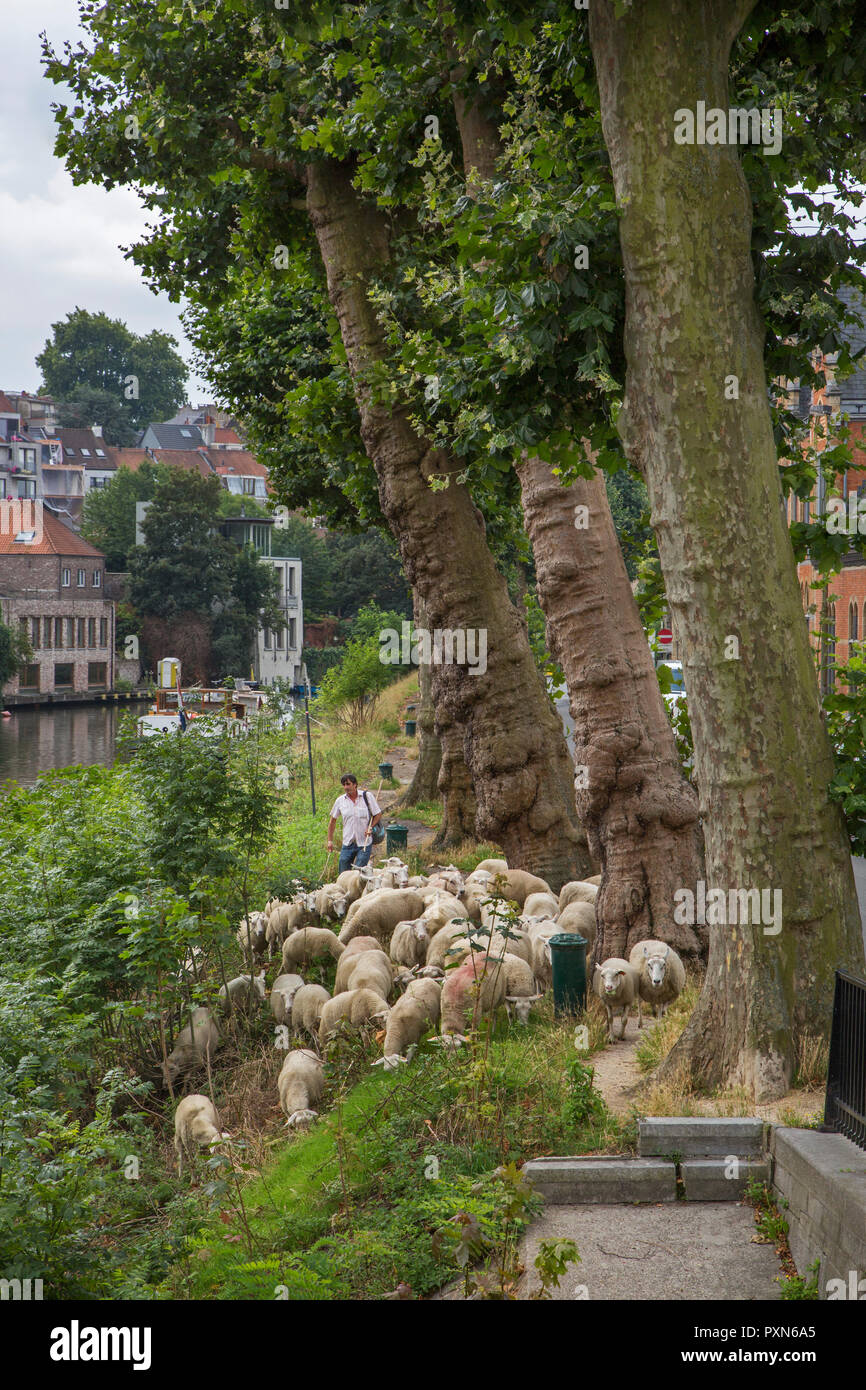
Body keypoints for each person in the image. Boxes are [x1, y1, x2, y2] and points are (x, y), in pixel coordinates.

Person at [327, 773, 382, 872]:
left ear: (355, 784)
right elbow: (332, 821)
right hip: (348, 843)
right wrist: (330, 841)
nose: (345, 787)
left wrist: (371, 827)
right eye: (344, 785)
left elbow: (377, 814)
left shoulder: (367, 797)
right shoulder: (340, 801)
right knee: (343, 874)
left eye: (348, 784)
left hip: (364, 843)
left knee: (358, 873)